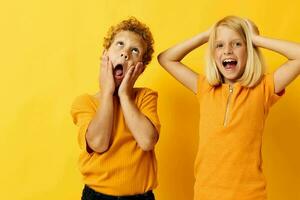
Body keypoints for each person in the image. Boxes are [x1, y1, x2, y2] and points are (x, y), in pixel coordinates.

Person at [157, 16, 300, 200]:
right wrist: (206, 36)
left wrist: (256, 39)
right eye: (220, 45)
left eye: (237, 44)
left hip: (250, 196)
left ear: (249, 50)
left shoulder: (264, 88)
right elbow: (166, 59)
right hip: (205, 194)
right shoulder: (204, 87)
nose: (228, 51)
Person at [71, 17, 160, 200]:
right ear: (105, 54)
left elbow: (147, 141)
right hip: (97, 196)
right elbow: (98, 143)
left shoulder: (145, 97)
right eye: (119, 44)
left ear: (140, 69)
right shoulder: (84, 102)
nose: (125, 53)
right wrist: (107, 93)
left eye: (134, 51)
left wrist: (125, 96)